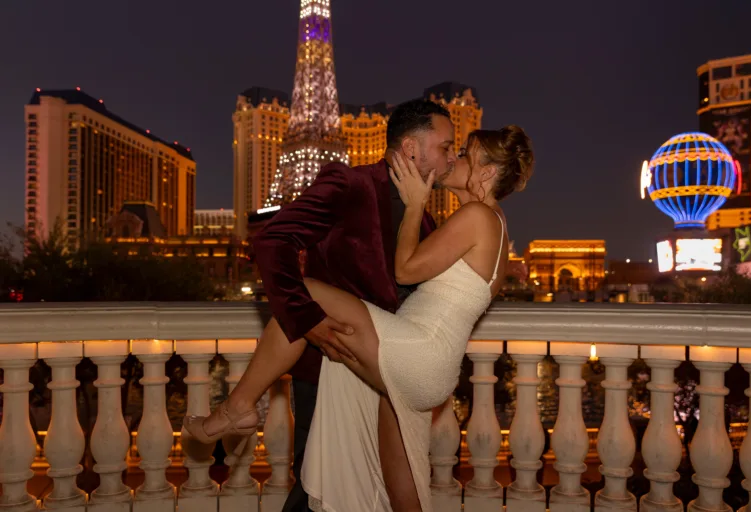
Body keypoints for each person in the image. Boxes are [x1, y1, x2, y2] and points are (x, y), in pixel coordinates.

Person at [186, 101, 534, 511]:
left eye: (460, 152)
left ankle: (237, 407)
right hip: (356, 360)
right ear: (410, 148)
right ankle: (239, 408)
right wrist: (307, 320)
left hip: (401, 354)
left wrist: (418, 206)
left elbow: (407, 275)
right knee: (386, 493)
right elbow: (272, 241)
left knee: (334, 489)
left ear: (488, 173)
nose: (451, 158)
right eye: (446, 147)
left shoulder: (447, 217)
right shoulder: (354, 185)